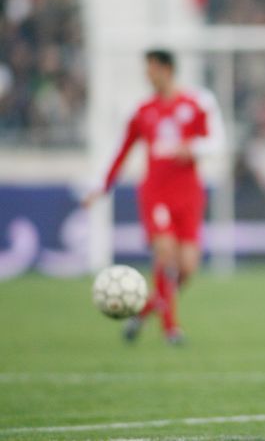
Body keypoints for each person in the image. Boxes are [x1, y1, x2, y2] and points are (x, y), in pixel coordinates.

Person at [83, 50, 225, 345]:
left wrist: (192, 148)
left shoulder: (196, 103)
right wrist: (102, 186)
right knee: (166, 255)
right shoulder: (143, 111)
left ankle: (142, 313)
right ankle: (171, 329)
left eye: (151, 69)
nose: (147, 75)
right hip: (156, 193)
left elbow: (215, 142)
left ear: (167, 69)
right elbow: (122, 150)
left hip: (188, 193)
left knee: (187, 268)